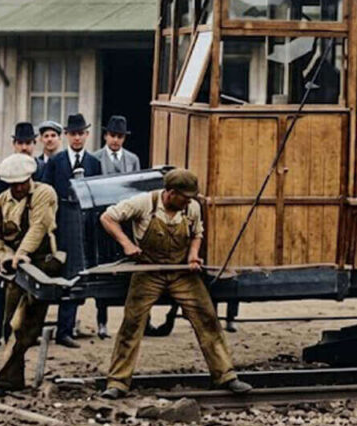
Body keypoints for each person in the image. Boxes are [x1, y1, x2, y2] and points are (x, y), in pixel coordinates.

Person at [98, 169, 251, 399]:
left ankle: (226, 376)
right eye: (185, 197)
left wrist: (192, 256)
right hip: (148, 271)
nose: (189, 201)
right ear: (170, 193)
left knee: (207, 317)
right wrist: (127, 244)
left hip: (181, 273)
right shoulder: (143, 203)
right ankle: (118, 382)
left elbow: (197, 233)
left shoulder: (192, 208)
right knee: (132, 323)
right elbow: (107, 217)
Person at [0, 154, 60, 399]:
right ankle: (12, 380)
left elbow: (39, 227)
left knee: (26, 325)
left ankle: (6, 379)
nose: (19, 187)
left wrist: (21, 254)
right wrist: (6, 256)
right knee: (10, 323)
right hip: (16, 268)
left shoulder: (44, 193)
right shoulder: (1, 202)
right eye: (13, 183)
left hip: (42, 265)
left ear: (30, 177)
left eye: (22, 182)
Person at [42, 113, 101, 348]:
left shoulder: (94, 163)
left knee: (77, 274)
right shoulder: (56, 162)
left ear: (87, 135)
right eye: (73, 134)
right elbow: (45, 194)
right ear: (66, 136)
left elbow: (98, 197)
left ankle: (66, 329)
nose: (77, 138)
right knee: (55, 272)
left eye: (81, 134)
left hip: (85, 223)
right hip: (60, 221)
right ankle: (43, 328)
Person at [0, 123, 44, 348]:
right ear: (14, 144)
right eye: (20, 143)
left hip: (34, 242)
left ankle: (28, 333)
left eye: (28, 143)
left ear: (34, 144)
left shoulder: (40, 169)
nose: (24, 147)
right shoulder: (5, 169)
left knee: (33, 292)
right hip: (9, 240)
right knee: (1, 285)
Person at [91, 115, 141, 339]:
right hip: (103, 220)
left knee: (129, 270)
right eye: (112, 136)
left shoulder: (132, 159)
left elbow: (137, 190)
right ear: (105, 136)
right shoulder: (95, 159)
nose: (115, 140)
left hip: (126, 221)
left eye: (120, 136)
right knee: (104, 269)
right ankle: (102, 322)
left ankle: (131, 321)